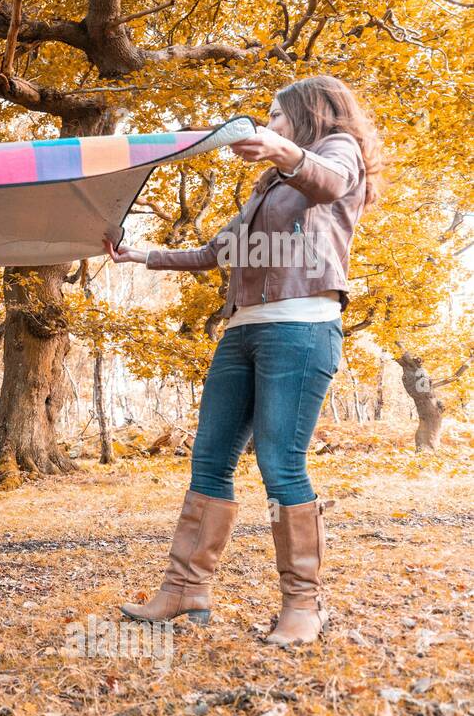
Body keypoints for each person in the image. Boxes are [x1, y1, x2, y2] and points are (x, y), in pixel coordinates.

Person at [105, 75, 383, 646]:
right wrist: (141, 255)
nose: (271, 126)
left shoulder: (336, 153)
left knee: (280, 464)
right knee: (208, 461)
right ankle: (186, 589)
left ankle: (303, 605)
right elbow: (217, 251)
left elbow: (329, 182)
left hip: (301, 331)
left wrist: (286, 152)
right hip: (241, 334)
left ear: (307, 116)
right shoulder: (266, 186)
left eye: (278, 118)